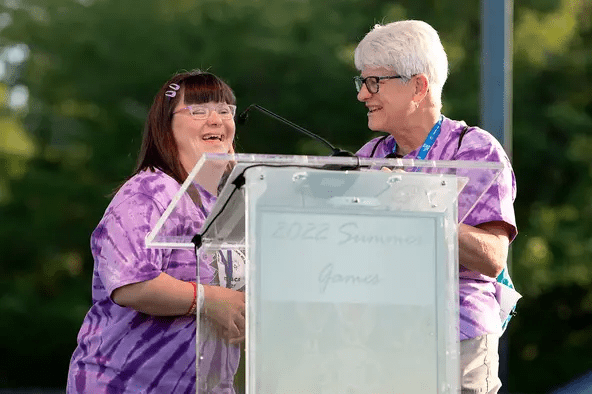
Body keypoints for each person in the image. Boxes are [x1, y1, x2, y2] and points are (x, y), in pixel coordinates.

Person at [353, 20, 517, 394]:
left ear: (418, 86)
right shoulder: (370, 157)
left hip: (456, 340)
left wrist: (410, 198)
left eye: (374, 82)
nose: (363, 94)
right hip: (378, 340)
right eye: (361, 82)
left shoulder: (473, 149)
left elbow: (493, 257)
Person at [66, 70, 246, 393]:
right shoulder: (149, 190)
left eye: (224, 110)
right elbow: (130, 283)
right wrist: (210, 300)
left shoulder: (229, 204)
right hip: (123, 384)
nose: (216, 119)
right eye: (198, 110)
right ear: (167, 127)